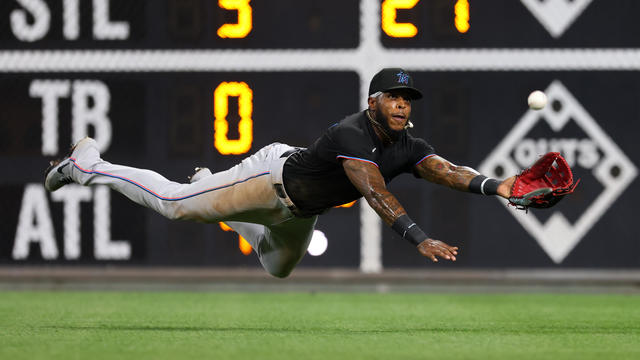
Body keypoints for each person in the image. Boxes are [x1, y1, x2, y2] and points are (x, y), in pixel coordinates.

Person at [44, 68, 515, 278]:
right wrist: (419, 238)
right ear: (372, 102)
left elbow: (449, 172)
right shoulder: (352, 134)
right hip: (269, 178)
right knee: (173, 206)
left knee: (277, 268)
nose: (401, 104)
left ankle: (224, 203)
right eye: (393, 96)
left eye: (407, 99)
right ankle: (88, 163)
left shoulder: (409, 145)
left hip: (299, 211)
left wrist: (501, 186)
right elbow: (373, 193)